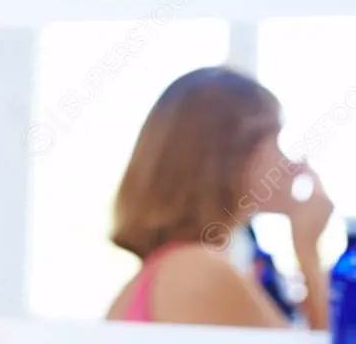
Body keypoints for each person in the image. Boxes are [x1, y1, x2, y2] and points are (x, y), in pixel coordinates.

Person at [105, 66, 334, 329]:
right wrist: (307, 251)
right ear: (232, 155)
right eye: (274, 140)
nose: (288, 163)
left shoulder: (174, 269)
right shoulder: (199, 271)